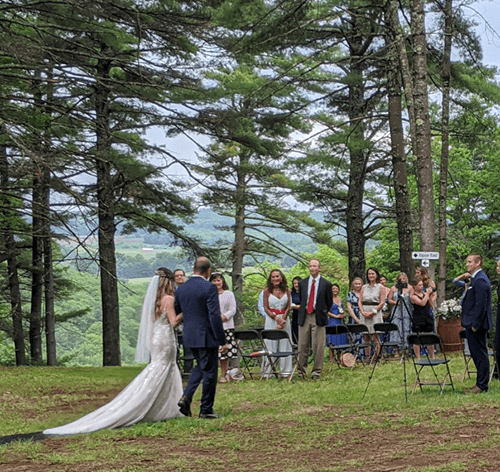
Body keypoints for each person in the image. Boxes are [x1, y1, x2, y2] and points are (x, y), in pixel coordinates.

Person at [43, 268, 184, 436]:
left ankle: (166, 408)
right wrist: (186, 311)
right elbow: (174, 321)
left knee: (161, 368)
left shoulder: (153, 299)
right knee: (165, 368)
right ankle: (157, 406)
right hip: (165, 340)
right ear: (168, 282)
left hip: (156, 338)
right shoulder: (168, 298)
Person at [176, 257, 228, 419]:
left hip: (189, 335)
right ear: (208, 271)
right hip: (206, 335)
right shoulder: (209, 288)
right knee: (211, 372)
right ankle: (206, 409)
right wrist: (222, 340)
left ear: (194, 269)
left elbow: (179, 310)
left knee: (200, 367)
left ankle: (186, 397)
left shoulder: (181, 289)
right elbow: (214, 315)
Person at [461, 253, 493, 394]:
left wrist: (475, 324)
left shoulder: (480, 280)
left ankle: (482, 385)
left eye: (469, 262)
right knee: (475, 354)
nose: (467, 264)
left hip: (477, 324)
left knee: (480, 355)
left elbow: (481, 305)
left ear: (478, 263)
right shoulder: (474, 279)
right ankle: (479, 383)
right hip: (472, 322)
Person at [297, 259, 333, 379]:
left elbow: (329, 302)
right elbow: (302, 299)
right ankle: (301, 371)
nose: (312, 268)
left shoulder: (326, 284)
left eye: (315, 266)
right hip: (305, 316)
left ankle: (316, 371)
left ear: (319, 268)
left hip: (319, 316)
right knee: (302, 344)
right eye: (310, 266)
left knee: (318, 345)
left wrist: (322, 311)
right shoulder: (303, 283)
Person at [262, 269, 293, 378]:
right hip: (271, 319)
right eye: (273, 277)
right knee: (271, 344)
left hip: (285, 318)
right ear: (270, 279)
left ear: (281, 277)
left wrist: (283, 319)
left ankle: (286, 371)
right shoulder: (266, 291)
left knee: (285, 343)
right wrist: (276, 318)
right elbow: (265, 307)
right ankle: (269, 372)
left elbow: (289, 306)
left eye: (277, 276)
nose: (275, 279)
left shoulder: (287, 290)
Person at [209, 272, 238, 383]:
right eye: (214, 281)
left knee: (224, 352)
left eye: (218, 280)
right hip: (212, 326)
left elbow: (233, 309)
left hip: (226, 325)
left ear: (222, 281)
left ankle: (224, 374)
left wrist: (224, 316)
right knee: (215, 352)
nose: (217, 283)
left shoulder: (229, 294)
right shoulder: (209, 295)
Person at [358, 267, 384, 360]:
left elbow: (382, 302)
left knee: (375, 336)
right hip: (365, 310)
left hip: (375, 311)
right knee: (366, 336)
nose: (371, 276)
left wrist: (373, 312)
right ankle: (367, 357)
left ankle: (377, 357)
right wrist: (362, 311)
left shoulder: (380, 287)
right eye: (369, 274)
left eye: (373, 274)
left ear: (376, 275)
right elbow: (360, 301)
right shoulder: (364, 287)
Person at [387, 272, 412, 358]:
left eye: (404, 278)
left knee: (406, 328)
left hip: (406, 310)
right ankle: (396, 350)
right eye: (400, 278)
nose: (402, 279)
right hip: (396, 310)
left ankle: (406, 349)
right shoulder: (393, 288)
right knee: (396, 329)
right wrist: (396, 303)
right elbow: (389, 300)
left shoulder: (410, 287)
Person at [409, 279, 435, 360]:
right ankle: (418, 356)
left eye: (422, 285)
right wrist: (427, 294)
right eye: (419, 285)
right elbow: (422, 303)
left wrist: (429, 295)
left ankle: (432, 355)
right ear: (415, 286)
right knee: (417, 337)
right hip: (418, 318)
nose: (421, 287)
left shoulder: (425, 294)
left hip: (427, 317)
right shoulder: (413, 296)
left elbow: (430, 304)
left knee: (429, 336)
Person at [327, 283, 347, 362]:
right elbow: (326, 311)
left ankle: (339, 358)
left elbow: (343, 309)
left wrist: (344, 315)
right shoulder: (329, 299)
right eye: (333, 289)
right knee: (332, 340)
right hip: (332, 320)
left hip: (340, 321)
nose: (335, 290)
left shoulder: (340, 299)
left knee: (339, 339)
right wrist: (335, 316)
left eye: (336, 288)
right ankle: (331, 359)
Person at [346, 277, 364, 355]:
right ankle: (355, 355)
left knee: (364, 334)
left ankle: (364, 355)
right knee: (354, 335)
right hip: (354, 316)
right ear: (353, 284)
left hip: (363, 314)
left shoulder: (364, 293)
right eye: (356, 284)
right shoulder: (350, 294)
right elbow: (349, 308)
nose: (357, 285)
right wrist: (356, 319)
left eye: (359, 284)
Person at [290, 276, 302, 344]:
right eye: (294, 283)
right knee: (295, 335)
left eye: (297, 283)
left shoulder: (305, 293)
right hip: (295, 317)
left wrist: (299, 306)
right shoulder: (291, 293)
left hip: (304, 316)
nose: (296, 285)